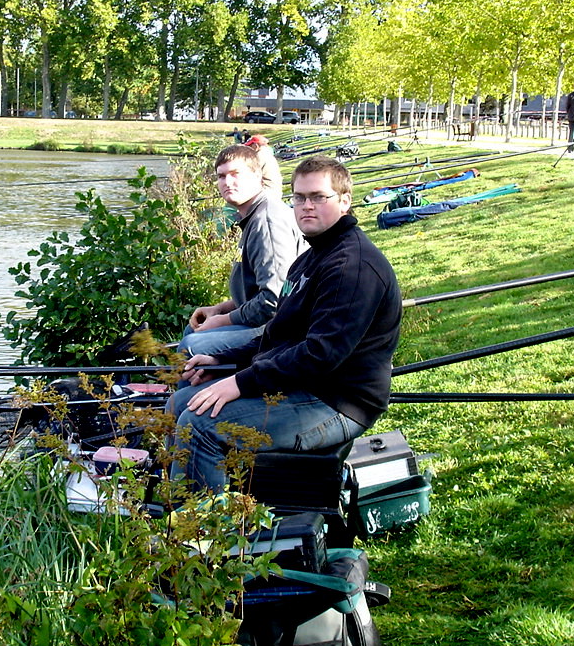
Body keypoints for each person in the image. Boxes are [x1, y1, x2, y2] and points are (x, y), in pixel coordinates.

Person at [168, 154, 402, 493]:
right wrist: (223, 361)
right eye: (300, 197)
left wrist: (240, 382)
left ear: (345, 201)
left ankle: (203, 535)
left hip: (336, 402)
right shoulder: (311, 257)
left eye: (319, 197)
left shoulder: (353, 267)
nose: (307, 206)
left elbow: (319, 355)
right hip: (305, 385)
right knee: (181, 401)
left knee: (199, 422)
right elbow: (281, 335)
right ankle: (179, 502)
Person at [180, 145, 306, 358]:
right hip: (266, 320)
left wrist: (224, 319)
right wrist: (220, 309)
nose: (227, 183)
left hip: (282, 329)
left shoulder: (266, 222)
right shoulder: (252, 216)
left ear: (257, 176)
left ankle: (197, 392)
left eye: (236, 174)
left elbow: (273, 301)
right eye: (221, 176)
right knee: (193, 328)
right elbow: (257, 292)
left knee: (191, 345)